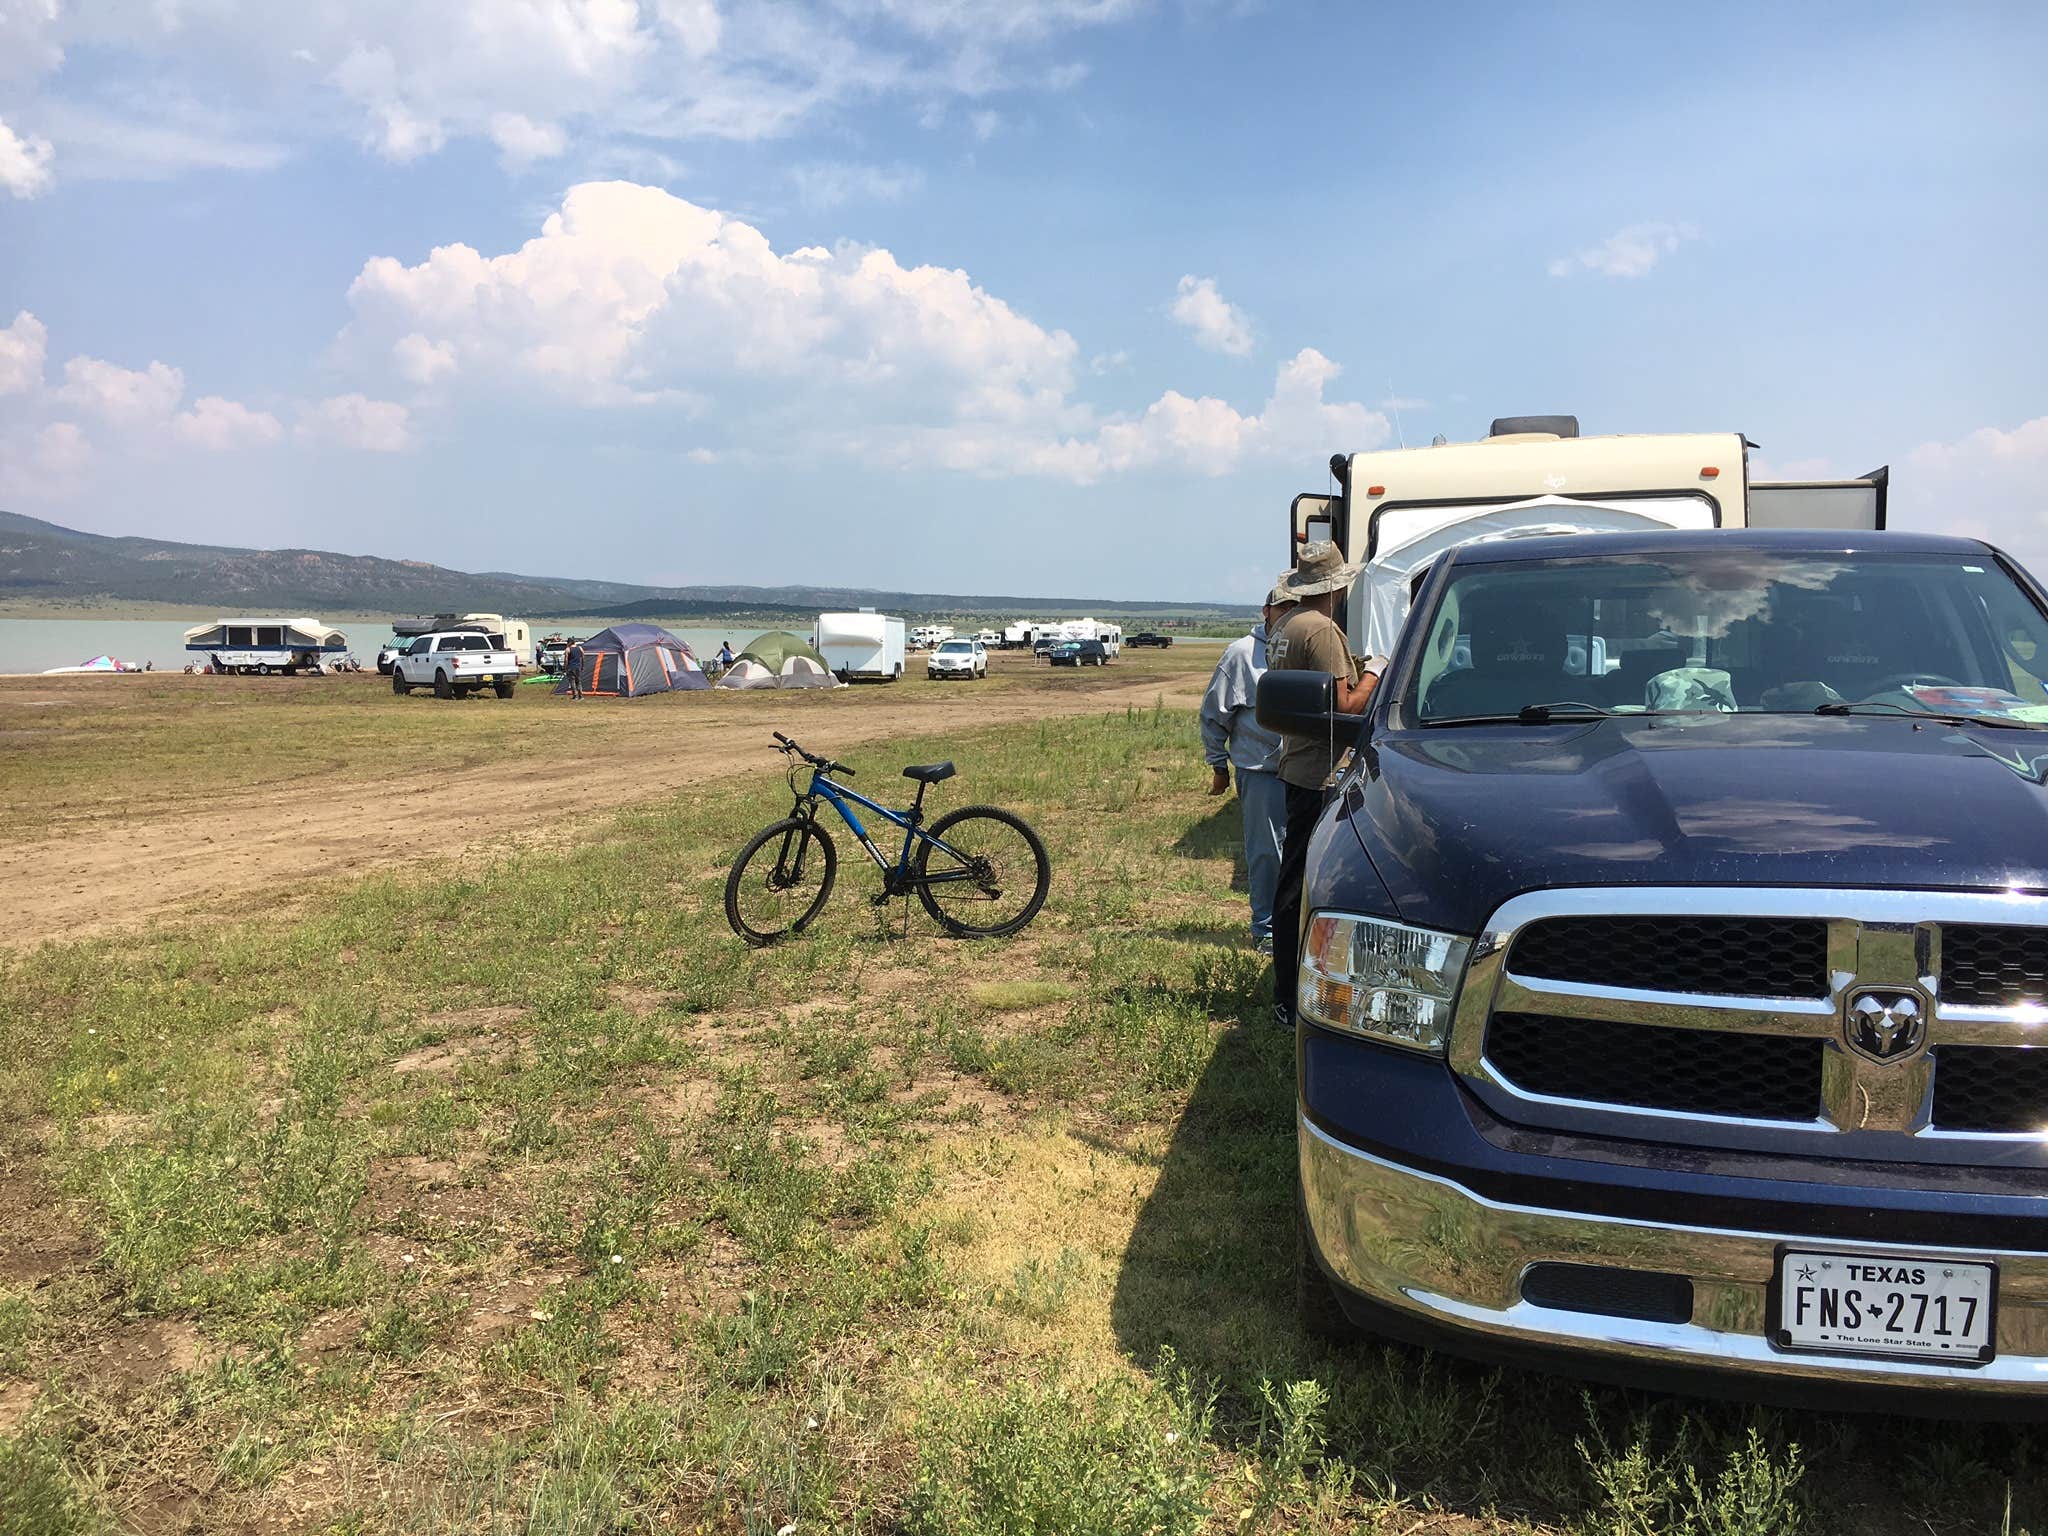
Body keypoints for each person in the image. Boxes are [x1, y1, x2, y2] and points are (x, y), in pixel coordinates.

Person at [1268, 540, 1387, 1028]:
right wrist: (1375, 674)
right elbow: (1344, 709)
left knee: (1292, 877)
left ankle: (1285, 988)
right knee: (1306, 884)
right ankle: (1295, 995)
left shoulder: (1287, 624)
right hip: (1320, 768)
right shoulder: (1322, 631)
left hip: (1295, 761)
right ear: (1338, 584)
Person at [1199, 582, 1297, 954]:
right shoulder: (1242, 654)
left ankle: (1298, 925)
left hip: (1307, 769)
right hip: (1262, 771)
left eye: (1296, 609)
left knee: (1302, 851)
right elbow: (1214, 714)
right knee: (1267, 852)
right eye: (1282, 608)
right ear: (1266, 611)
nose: (1288, 616)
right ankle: (1267, 930)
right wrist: (1218, 765)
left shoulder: (1306, 647)